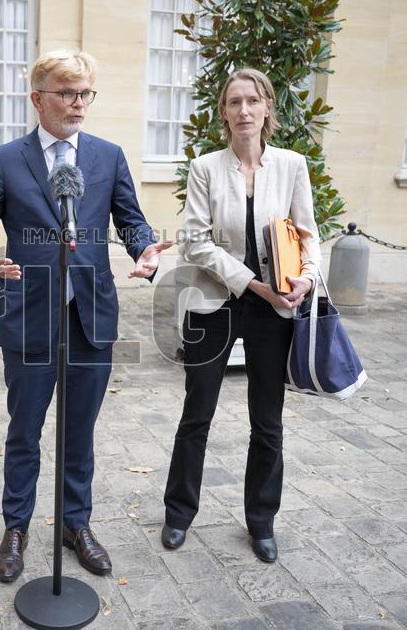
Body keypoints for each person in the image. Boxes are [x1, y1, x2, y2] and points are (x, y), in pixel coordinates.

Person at [0, 50, 172, 583]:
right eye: (67, 93)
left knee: (80, 432)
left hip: (90, 316)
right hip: (29, 315)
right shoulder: (5, 160)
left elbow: (131, 221)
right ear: (39, 98)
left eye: (85, 94)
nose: (78, 104)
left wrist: (145, 249)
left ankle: (77, 526)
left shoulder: (108, 156)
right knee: (25, 431)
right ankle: (16, 528)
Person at [162, 68, 321, 563]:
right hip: (214, 303)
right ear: (224, 112)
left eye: (253, 100)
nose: (244, 110)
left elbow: (308, 235)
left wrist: (306, 279)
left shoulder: (292, 165)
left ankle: (261, 521)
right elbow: (195, 242)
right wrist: (252, 283)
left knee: (267, 421)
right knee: (197, 414)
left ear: (268, 106)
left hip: (275, 309)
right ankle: (178, 513)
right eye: (234, 102)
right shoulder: (205, 168)